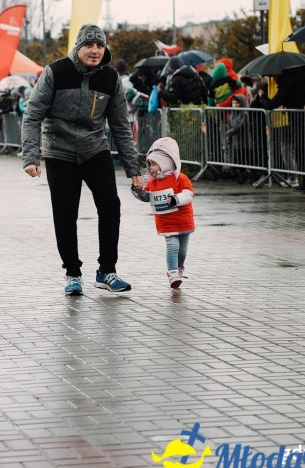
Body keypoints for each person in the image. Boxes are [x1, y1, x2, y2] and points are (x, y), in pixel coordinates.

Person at [20, 24, 143, 296]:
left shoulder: (111, 79)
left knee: (110, 205)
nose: (95, 50)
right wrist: (31, 156)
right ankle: (72, 273)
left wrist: (134, 170)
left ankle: (106, 271)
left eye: (100, 46)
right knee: (65, 213)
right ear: (78, 47)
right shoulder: (56, 72)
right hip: (59, 149)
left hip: (94, 148)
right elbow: (32, 115)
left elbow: (121, 127)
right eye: (89, 45)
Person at [130, 137, 195, 289]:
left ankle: (179, 268)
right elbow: (147, 197)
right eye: (150, 164)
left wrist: (176, 199)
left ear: (165, 163)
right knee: (172, 246)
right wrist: (138, 191)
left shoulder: (181, 178)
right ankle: (172, 274)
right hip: (166, 223)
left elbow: (189, 193)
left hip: (183, 220)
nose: (150, 168)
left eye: (153, 164)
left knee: (182, 250)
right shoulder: (153, 182)